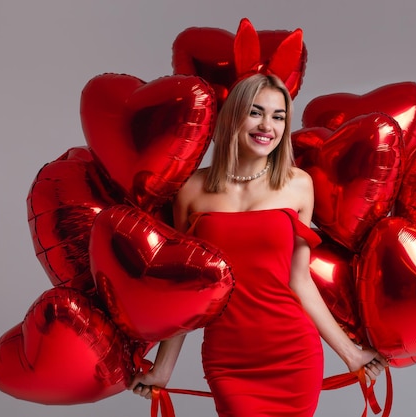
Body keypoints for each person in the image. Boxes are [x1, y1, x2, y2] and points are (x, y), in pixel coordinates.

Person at [131, 73, 387, 416]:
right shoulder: (191, 189)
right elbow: (187, 292)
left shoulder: (298, 186)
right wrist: (163, 370)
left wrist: (351, 353)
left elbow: (300, 280)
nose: (268, 125)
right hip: (229, 359)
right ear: (233, 116)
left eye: (278, 117)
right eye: (256, 112)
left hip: (293, 355)